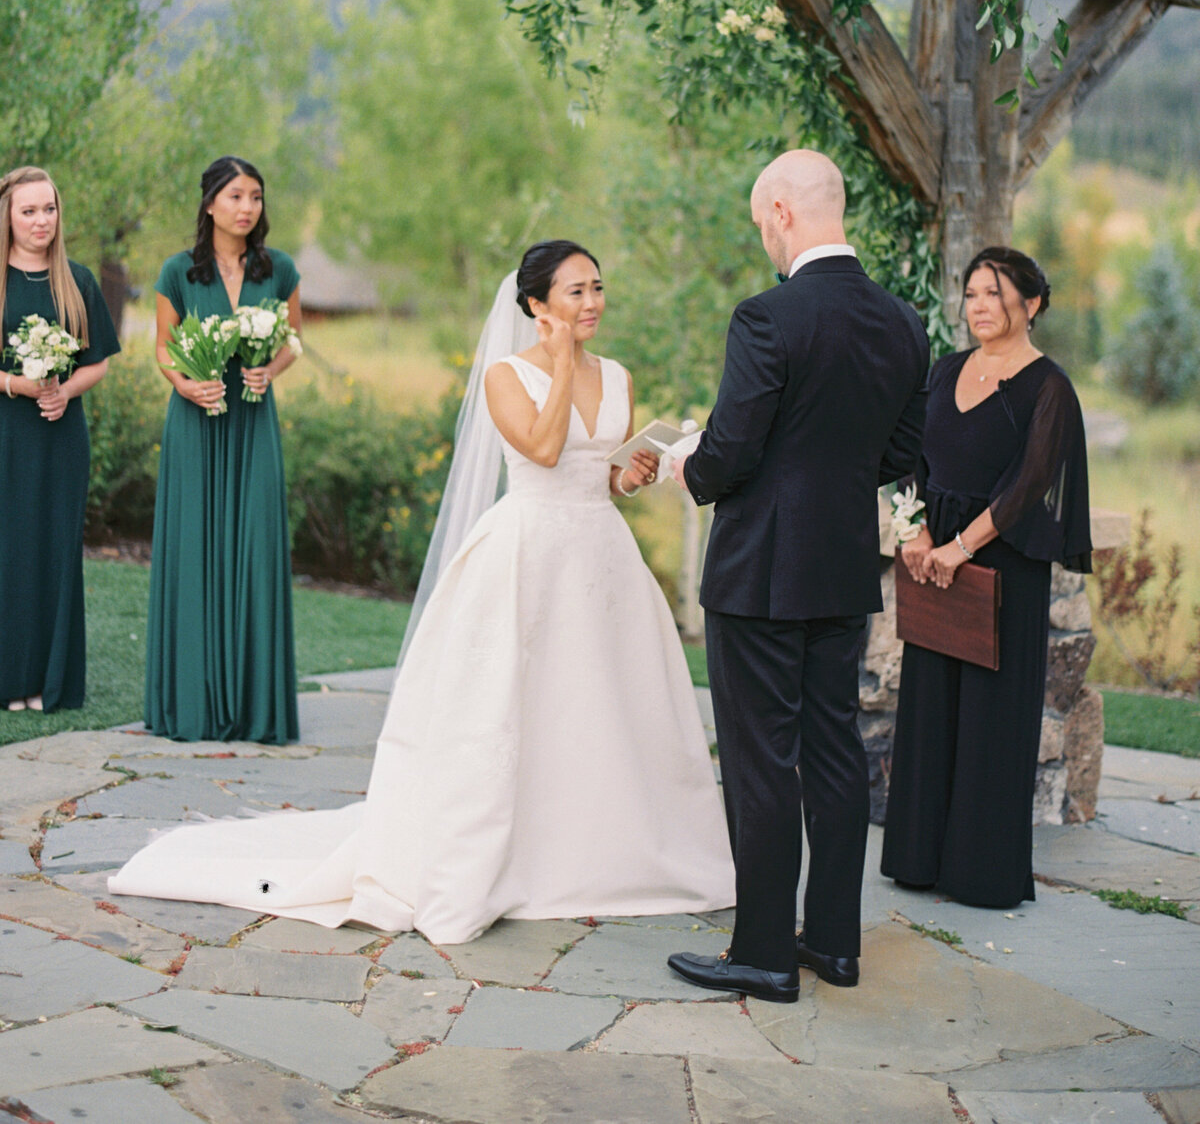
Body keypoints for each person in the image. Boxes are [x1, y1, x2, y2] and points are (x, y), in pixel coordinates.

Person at [110, 240, 734, 942]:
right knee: (512, 705)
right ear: (536, 306)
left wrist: (634, 472)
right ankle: (507, 852)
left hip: (600, 556)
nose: (592, 303)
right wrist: (560, 363)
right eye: (574, 292)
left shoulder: (617, 376)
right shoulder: (506, 373)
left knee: (601, 701)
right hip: (526, 552)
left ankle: (608, 844)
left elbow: (599, 473)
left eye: (597, 288)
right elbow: (546, 449)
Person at [666, 150, 929, 1004]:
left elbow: (732, 450)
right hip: (844, 567)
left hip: (758, 574)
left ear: (781, 211)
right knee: (833, 750)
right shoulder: (903, 322)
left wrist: (687, 467)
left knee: (760, 760)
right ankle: (837, 944)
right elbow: (901, 451)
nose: (765, 244)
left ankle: (766, 952)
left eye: (760, 226)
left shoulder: (767, 318)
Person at [881, 247, 1091, 910]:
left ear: (1029, 305)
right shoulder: (943, 371)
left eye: (992, 294)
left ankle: (979, 874)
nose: (977, 305)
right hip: (931, 559)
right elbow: (904, 453)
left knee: (990, 720)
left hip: (1000, 564)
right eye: (970, 292)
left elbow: (1030, 482)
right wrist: (911, 530)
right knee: (931, 707)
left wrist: (961, 548)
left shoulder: (1048, 386)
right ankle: (918, 859)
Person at [144, 155, 302, 744]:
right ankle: (192, 704)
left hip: (253, 424)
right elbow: (163, 348)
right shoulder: (178, 272)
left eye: (256, 197)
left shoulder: (279, 269)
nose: (247, 208)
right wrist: (184, 382)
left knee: (255, 547)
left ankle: (255, 709)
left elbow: (295, 340)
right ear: (210, 202)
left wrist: (270, 372)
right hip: (196, 424)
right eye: (235, 196)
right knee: (195, 548)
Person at [0, 167, 120, 713]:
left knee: (53, 553)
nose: (41, 220)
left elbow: (99, 363)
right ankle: (10, 680)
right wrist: (15, 384)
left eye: (48, 209)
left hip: (60, 437)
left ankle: (50, 682)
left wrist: (64, 391)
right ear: (7, 217)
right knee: (10, 553)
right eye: (28, 211)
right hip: (7, 434)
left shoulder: (78, 280)